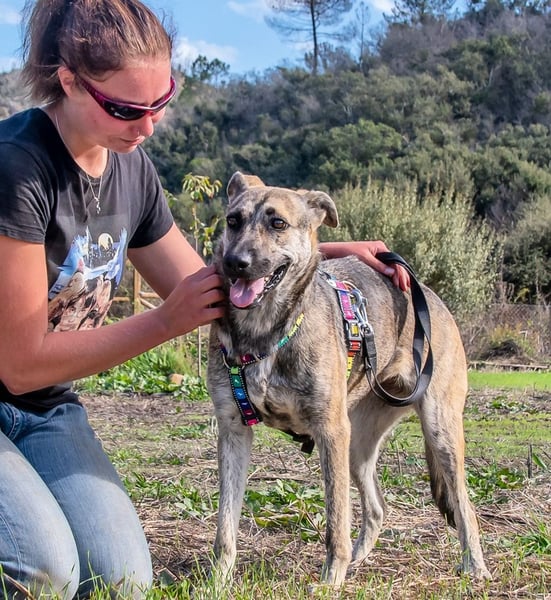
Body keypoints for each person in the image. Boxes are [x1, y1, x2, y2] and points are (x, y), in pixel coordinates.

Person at [0, 0, 409, 597]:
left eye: (161, 101)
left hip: (43, 407)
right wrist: (164, 323)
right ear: (69, 82)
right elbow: (19, 363)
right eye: (126, 109)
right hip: (15, 382)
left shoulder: (131, 169)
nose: (147, 127)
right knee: (44, 571)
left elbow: (210, 283)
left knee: (120, 578)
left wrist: (323, 250)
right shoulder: (19, 168)